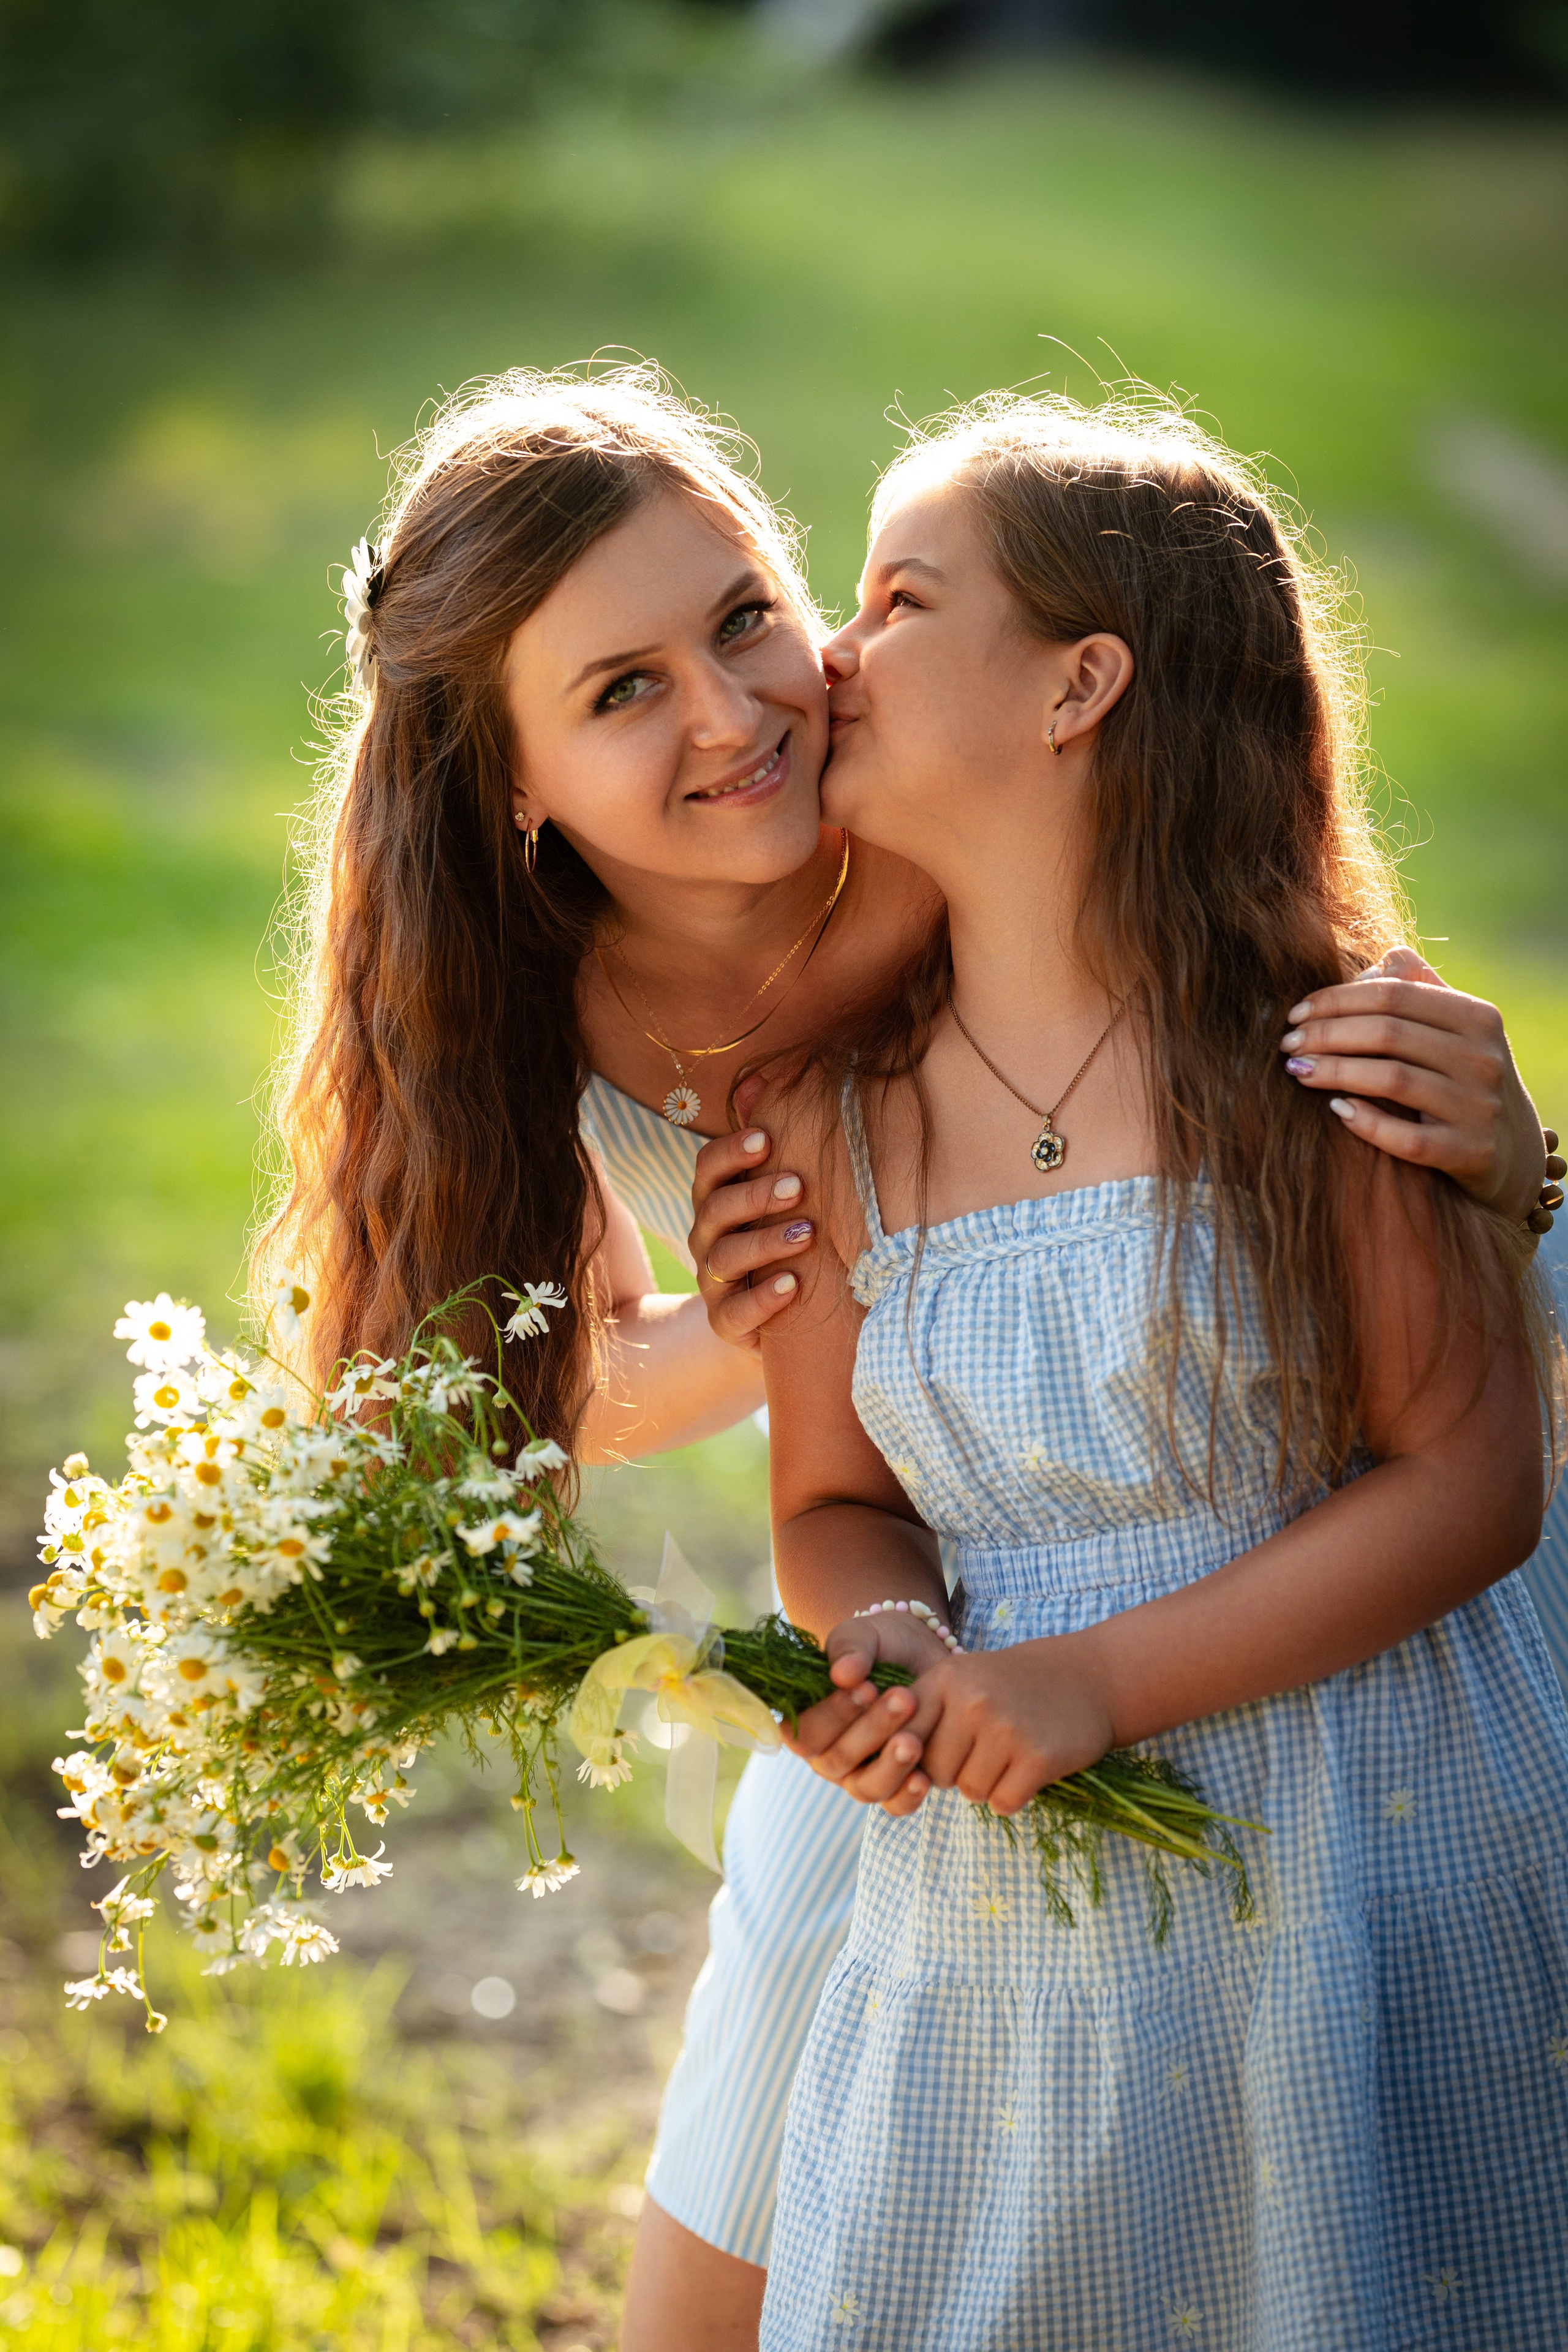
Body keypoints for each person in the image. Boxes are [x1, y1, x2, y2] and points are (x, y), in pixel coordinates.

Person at [256, 364, 1556, 2351]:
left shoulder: (961, 836)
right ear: (508, 780)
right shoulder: (538, 1012)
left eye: (756, 616)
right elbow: (543, 1412)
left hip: (1273, 1509)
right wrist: (736, 1338)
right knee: (767, 2182)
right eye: (619, 694)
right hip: (958, 1565)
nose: (746, 709)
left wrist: (1515, 1163)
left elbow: (1260, 1010)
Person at [754, 390, 1568, 2348]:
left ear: (1077, 686)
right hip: (1018, 1894)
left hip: (1354, 1846)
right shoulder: (824, 1121)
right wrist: (886, 1640)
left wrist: (1100, 1679)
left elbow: (1471, 1482)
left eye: (897, 600)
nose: (828, 652)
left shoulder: (1324, 1066)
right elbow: (833, 1499)